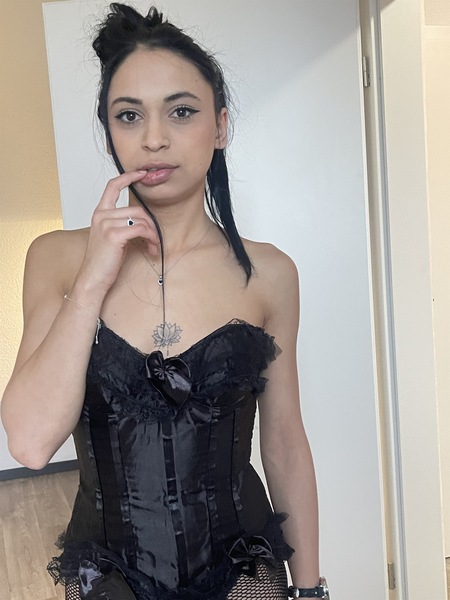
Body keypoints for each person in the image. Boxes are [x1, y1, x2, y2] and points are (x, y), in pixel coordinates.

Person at [1, 4, 328, 599]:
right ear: (110, 132)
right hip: (109, 578)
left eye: (181, 111)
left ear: (220, 126)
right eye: (129, 116)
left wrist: (310, 591)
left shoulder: (270, 274)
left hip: (242, 574)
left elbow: (284, 442)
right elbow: (29, 444)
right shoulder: (55, 258)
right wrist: (92, 280)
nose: (154, 139)